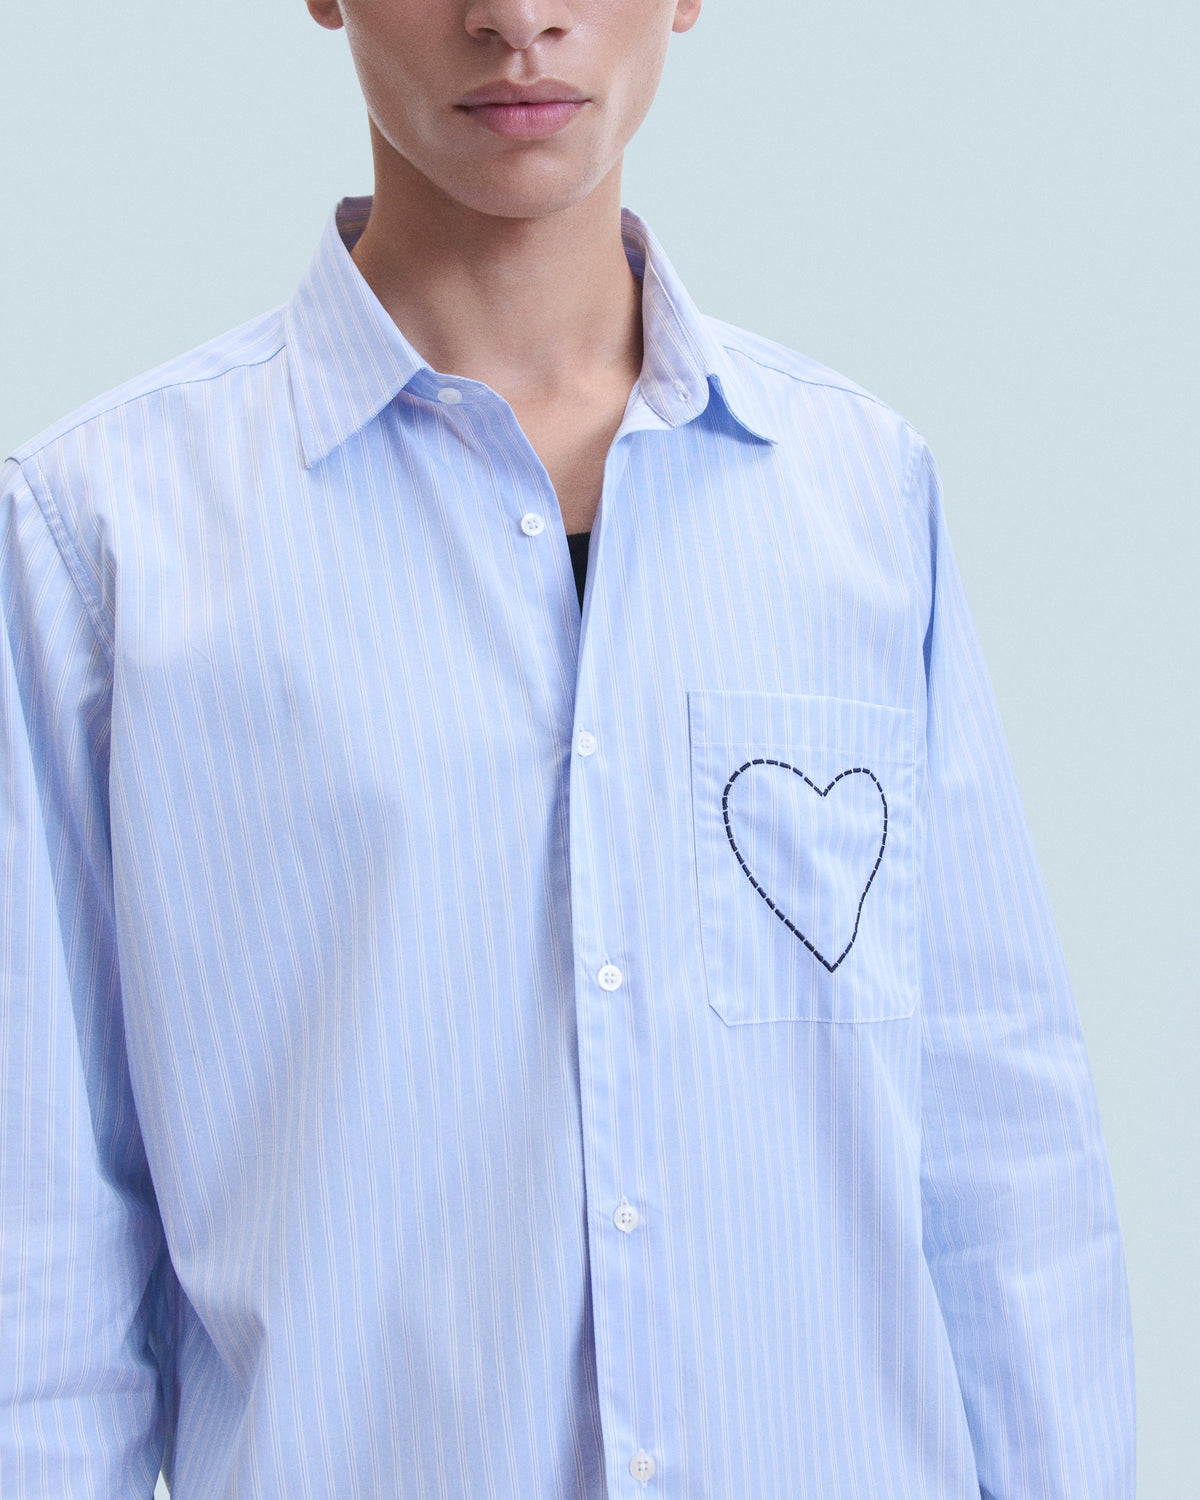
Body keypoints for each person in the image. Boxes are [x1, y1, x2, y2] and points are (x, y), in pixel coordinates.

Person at [0, 0, 1135, 1495]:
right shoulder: (105, 538)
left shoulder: (862, 499)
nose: (517, 18)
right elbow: (44, 1253)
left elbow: (1003, 1156)